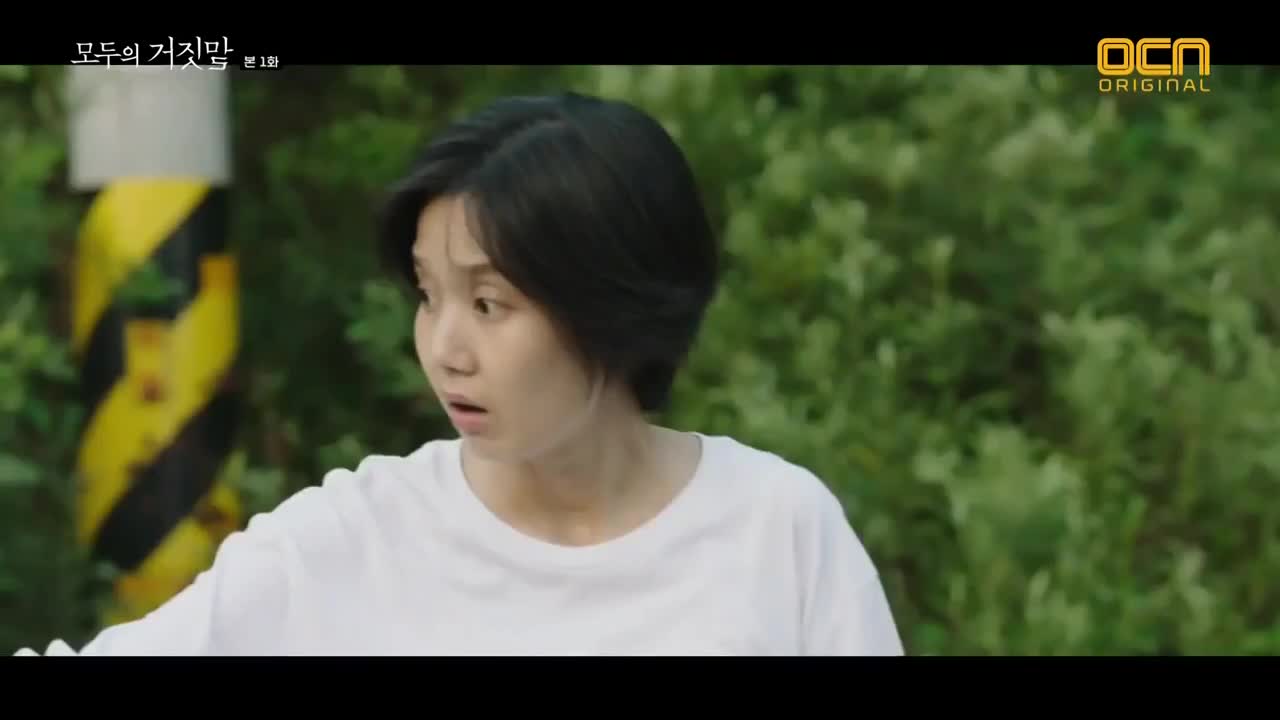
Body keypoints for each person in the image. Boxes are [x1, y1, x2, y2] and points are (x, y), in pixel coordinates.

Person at [15, 91, 904, 656]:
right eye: (427, 294)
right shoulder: (355, 538)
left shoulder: (776, 529)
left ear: (612, 305)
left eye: (488, 304)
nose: (444, 347)